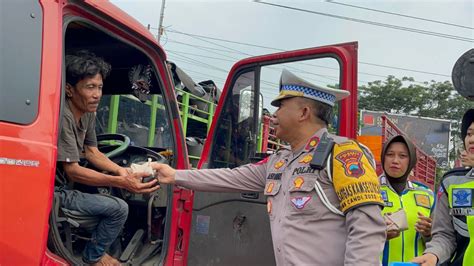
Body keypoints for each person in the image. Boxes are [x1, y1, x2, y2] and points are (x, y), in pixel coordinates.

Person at [151, 69, 387, 265]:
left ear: (304, 113)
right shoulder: (279, 161)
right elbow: (231, 178)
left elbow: (367, 229)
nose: (273, 116)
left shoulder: (343, 154)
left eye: (281, 107)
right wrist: (174, 175)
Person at [55, 50, 159, 265]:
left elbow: (93, 152)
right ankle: (94, 258)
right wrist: (120, 181)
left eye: (99, 87)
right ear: (69, 90)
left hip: (64, 186)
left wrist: (123, 171)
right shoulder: (63, 116)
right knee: (119, 209)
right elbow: (72, 170)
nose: (97, 94)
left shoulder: (88, 113)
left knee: (109, 198)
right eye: (89, 87)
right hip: (54, 192)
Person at [412, 108, 474, 266]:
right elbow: (445, 235)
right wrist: (434, 254)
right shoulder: (451, 183)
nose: (471, 139)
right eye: (469, 133)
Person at [379, 135, 434, 265]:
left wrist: (428, 234)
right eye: (390, 154)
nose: (395, 160)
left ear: (411, 161)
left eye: (402, 156)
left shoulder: (427, 195)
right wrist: (379, 235)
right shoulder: (369, 191)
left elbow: (443, 239)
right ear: (383, 157)